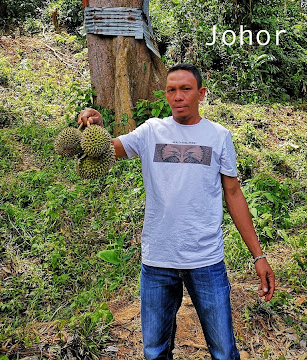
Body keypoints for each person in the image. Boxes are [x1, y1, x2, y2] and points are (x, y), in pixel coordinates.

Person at [78, 63, 275, 360]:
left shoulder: (218, 136)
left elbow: (233, 194)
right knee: (155, 352)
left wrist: (258, 256)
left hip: (205, 259)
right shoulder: (150, 131)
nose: (178, 96)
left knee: (223, 351)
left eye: (186, 89)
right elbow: (108, 149)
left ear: (201, 94)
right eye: (171, 90)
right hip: (158, 259)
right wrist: (95, 124)